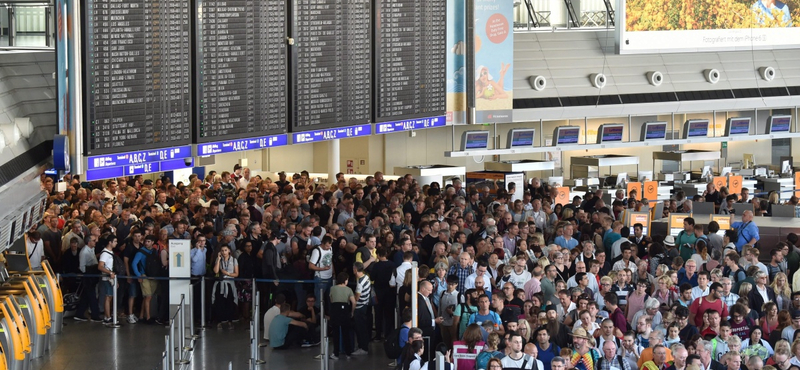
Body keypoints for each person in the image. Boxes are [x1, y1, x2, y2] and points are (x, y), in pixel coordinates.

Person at [329, 272, 356, 360]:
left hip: (335, 311)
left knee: (336, 333)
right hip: (345, 311)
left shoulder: (332, 288)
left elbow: (331, 300)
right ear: (345, 280)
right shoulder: (348, 289)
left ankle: (336, 353)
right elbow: (354, 302)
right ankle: (348, 353)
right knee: (346, 333)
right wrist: (352, 312)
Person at [212, 244, 238, 330]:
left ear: (229, 251)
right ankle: (219, 321)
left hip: (229, 283)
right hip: (221, 284)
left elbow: (236, 273)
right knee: (219, 302)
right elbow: (216, 270)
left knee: (230, 303)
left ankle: (230, 321)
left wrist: (228, 273)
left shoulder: (234, 260)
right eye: (222, 250)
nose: (224, 252)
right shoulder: (219, 259)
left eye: (225, 250)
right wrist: (219, 259)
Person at [97, 234, 117, 324]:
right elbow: (100, 266)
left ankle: (108, 315)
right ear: (110, 242)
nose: (116, 243)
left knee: (110, 297)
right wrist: (109, 273)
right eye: (115, 241)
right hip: (106, 278)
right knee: (108, 297)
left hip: (110, 278)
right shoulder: (105, 253)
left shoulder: (110, 252)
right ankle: (107, 316)